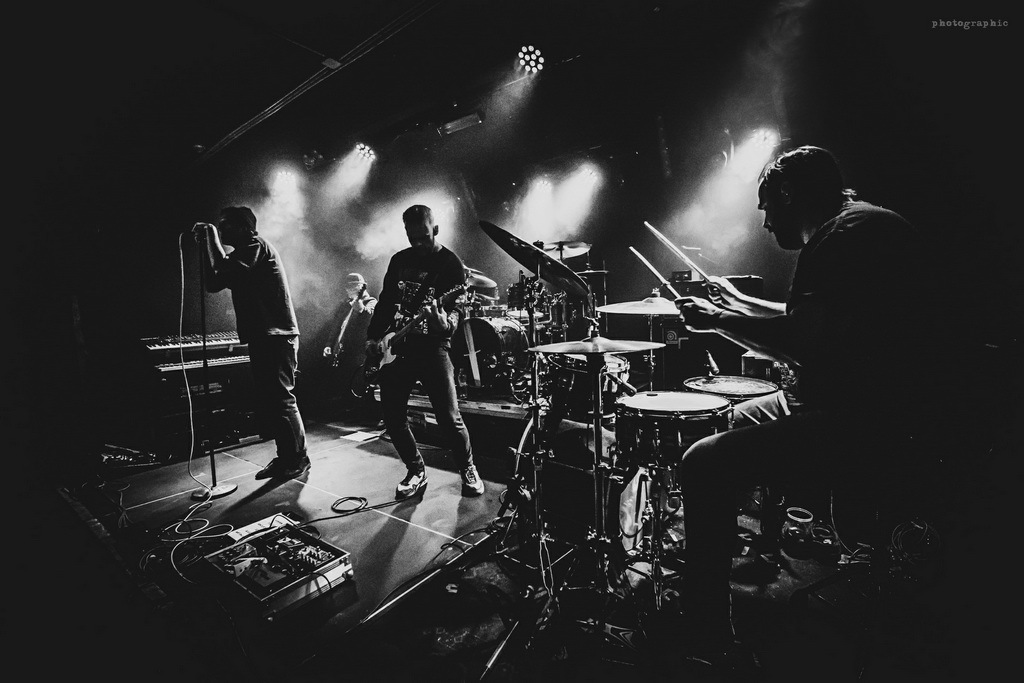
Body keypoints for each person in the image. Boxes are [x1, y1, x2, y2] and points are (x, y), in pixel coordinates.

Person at [667, 146, 948, 669]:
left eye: (768, 207)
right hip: (868, 402)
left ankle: (706, 631)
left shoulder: (839, 239)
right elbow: (822, 319)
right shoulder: (860, 224)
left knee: (703, 461)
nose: (766, 222)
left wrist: (715, 320)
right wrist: (738, 303)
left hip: (863, 418)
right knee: (733, 416)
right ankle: (748, 542)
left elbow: (803, 342)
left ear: (788, 193)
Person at [364, 205, 484, 499]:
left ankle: (468, 468)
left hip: (433, 348)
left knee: (449, 418)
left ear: (436, 230)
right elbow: (386, 302)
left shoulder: (450, 264)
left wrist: (445, 324)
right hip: (398, 346)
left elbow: (455, 313)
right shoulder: (399, 260)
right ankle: (415, 470)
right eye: (412, 238)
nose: (418, 244)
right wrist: (373, 337)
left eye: (424, 237)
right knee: (393, 416)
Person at [195, 206, 310, 480]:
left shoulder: (255, 246)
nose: (221, 229)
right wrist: (206, 246)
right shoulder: (242, 253)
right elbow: (213, 283)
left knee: (281, 398)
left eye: (226, 225)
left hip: (277, 335)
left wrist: (211, 237)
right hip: (263, 335)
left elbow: (222, 269)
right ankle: (286, 457)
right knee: (272, 400)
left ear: (245, 228)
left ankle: (298, 458)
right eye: (219, 225)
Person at [323, 272, 377, 402]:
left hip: (358, 352)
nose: (348, 290)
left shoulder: (371, 301)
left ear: (361, 287)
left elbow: (369, 316)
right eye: (347, 287)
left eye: (352, 287)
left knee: (355, 382)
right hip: (341, 350)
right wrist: (329, 344)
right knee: (339, 382)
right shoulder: (346, 304)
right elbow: (336, 326)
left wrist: (361, 308)